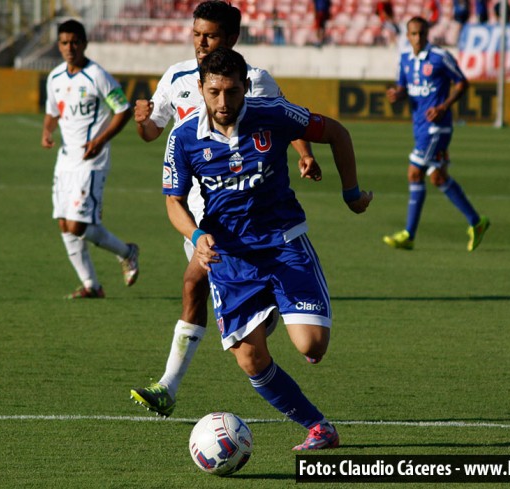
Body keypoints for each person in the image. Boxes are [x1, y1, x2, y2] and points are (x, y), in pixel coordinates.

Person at [163, 47, 372, 450]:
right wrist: (195, 236)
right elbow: (174, 201)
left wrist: (350, 193)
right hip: (230, 257)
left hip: (283, 243)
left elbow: (336, 133)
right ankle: (319, 427)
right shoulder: (184, 138)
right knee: (250, 359)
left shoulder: (273, 113)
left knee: (312, 347)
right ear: (201, 89)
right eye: (214, 92)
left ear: (245, 87)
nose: (224, 102)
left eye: (232, 92)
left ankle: (273, 309)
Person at [131, 0, 321, 417]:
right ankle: (268, 319)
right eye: (196, 33)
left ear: (231, 38)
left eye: (211, 35)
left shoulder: (254, 80)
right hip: (196, 214)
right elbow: (152, 132)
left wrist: (305, 154)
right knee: (201, 290)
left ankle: (168, 385)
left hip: (242, 218)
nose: (201, 42)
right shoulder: (177, 77)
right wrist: (141, 119)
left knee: (193, 285)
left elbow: (286, 121)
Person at [41, 19, 139, 299]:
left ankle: (127, 252)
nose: (69, 47)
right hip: (65, 159)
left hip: (91, 160)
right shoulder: (56, 77)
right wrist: (47, 131)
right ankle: (91, 286)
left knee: (77, 225)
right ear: (58, 46)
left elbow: (123, 110)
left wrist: (100, 140)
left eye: (74, 42)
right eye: (64, 42)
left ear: (84, 44)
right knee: (63, 223)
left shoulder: (97, 75)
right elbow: (52, 112)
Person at [384, 17, 489, 251]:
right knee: (438, 177)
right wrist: (398, 94)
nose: (418, 38)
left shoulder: (440, 57)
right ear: (407, 35)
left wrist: (444, 106)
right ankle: (476, 222)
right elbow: (404, 87)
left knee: (414, 173)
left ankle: (409, 234)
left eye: (422, 33)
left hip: (437, 128)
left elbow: (462, 83)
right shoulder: (404, 59)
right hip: (419, 126)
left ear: (427, 33)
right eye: (413, 34)